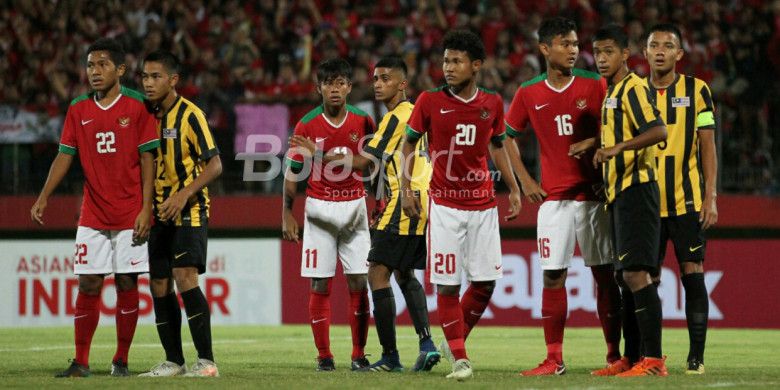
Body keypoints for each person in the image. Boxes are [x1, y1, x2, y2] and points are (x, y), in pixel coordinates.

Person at [291, 56, 440, 372]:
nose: (378, 84)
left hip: (405, 199)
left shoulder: (390, 119)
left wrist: (315, 153)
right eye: (375, 79)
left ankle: (389, 357)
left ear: (402, 84)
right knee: (403, 273)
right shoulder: (414, 113)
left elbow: (363, 163)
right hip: (418, 198)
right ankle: (426, 344)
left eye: (385, 79)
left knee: (375, 273)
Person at [30, 38, 158, 377]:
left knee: (127, 284)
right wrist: (44, 195)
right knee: (88, 283)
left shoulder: (138, 106)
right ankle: (81, 361)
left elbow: (149, 159)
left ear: (120, 70)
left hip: (131, 213)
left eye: (102, 65)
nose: (94, 71)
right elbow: (64, 155)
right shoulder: (78, 108)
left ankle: (121, 360)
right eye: (90, 65)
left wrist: (147, 208)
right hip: (93, 214)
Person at [400, 29, 522, 381]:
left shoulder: (493, 103)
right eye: (445, 61)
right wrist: (408, 190)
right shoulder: (428, 101)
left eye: (456, 61)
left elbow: (497, 147)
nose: (448, 67)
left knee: (485, 284)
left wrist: (512, 188)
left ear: (476, 65)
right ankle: (460, 358)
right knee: (448, 285)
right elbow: (409, 146)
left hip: (483, 206)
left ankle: (452, 341)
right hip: (445, 207)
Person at [503, 17, 623, 376]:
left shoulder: (595, 84)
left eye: (574, 44)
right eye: (564, 44)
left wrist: (603, 162)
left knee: (604, 276)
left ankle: (614, 356)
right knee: (552, 277)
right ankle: (554, 358)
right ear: (544, 48)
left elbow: (618, 129)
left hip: (592, 197)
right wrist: (524, 181)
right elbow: (506, 137)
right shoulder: (528, 92)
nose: (573, 50)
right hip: (553, 200)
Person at [282, 58, 375, 372]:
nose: (334, 89)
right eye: (328, 83)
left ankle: (358, 354)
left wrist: (319, 153)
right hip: (319, 207)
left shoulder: (363, 121)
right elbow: (294, 171)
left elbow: (366, 164)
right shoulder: (306, 123)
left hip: (354, 206)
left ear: (349, 86)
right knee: (320, 284)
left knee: (359, 281)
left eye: (340, 83)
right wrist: (286, 213)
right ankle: (324, 355)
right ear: (318, 88)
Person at [589, 24, 669, 377]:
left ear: (625, 54)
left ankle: (653, 360)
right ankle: (633, 357)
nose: (601, 59)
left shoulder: (633, 87)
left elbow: (658, 130)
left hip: (638, 191)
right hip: (619, 193)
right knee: (625, 277)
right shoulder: (611, 93)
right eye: (598, 52)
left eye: (608, 52)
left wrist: (619, 148)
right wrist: (595, 148)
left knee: (637, 274)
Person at [139, 50, 223, 377]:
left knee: (184, 276)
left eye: (155, 76)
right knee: (159, 283)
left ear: (173, 79)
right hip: (158, 212)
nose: (148, 83)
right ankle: (173, 361)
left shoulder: (190, 115)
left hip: (191, 209)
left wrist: (184, 194)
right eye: (145, 77)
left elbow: (215, 164)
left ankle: (206, 361)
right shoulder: (143, 116)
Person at [643, 23, 717, 374]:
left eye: (667, 45)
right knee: (646, 281)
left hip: (686, 201)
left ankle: (696, 358)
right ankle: (649, 356)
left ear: (679, 54)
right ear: (645, 53)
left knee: (693, 274)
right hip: (644, 203)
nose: (660, 51)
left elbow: (707, 145)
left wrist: (711, 196)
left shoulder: (697, 90)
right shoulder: (634, 92)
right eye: (653, 45)